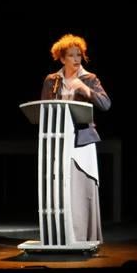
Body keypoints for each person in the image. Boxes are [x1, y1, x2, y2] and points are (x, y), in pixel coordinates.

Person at [40, 33, 111, 244]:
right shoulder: (52, 80)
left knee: (80, 190)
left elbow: (106, 105)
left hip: (82, 141)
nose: (76, 59)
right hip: (58, 142)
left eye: (79, 55)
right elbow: (45, 110)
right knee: (61, 189)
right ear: (62, 58)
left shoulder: (90, 78)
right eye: (71, 55)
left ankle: (83, 237)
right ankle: (61, 236)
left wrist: (86, 90)